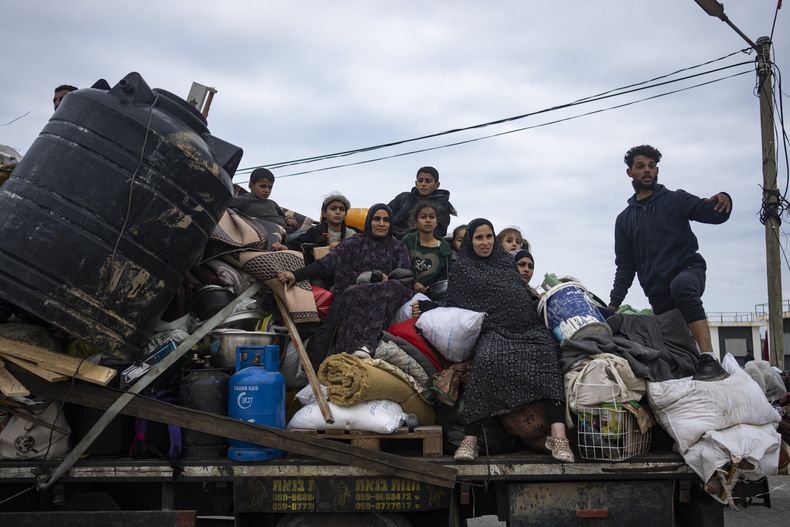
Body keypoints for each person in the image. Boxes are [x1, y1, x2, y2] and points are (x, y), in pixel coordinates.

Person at [444, 219, 574, 462]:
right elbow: (454, 303)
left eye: (489, 237)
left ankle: (558, 438)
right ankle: (470, 441)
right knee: (486, 360)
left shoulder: (505, 263)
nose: (485, 242)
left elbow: (520, 294)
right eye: (479, 238)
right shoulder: (463, 268)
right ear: (470, 241)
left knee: (547, 355)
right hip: (494, 330)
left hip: (527, 330)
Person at [608, 144, 732, 380]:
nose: (647, 171)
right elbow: (625, 266)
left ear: (657, 171)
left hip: (688, 270)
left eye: (652, 167)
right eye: (641, 166)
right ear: (630, 172)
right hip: (658, 292)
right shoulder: (624, 220)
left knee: (682, 286)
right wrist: (613, 305)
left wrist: (724, 200)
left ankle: (710, 358)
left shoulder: (676, 200)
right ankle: (699, 369)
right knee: (679, 351)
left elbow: (712, 213)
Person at [278, 204, 413, 367]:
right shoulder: (355, 242)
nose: (381, 224)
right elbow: (326, 264)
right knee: (355, 294)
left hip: (387, 295)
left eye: (386, 220)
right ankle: (350, 355)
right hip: (353, 293)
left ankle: (368, 346)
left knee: (392, 288)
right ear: (369, 221)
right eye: (377, 219)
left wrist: (386, 280)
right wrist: (295, 275)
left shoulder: (398, 247)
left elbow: (405, 276)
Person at [388, 166, 457, 239]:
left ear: (437, 185)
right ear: (416, 183)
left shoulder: (442, 205)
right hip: (393, 239)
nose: (423, 184)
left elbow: (440, 231)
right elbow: (384, 214)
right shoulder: (404, 198)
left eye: (428, 181)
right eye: (420, 180)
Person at [230, 168, 299, 239]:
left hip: (290, 232)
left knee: (309, 233)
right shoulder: (243, 199)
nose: (267, 190)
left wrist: (289, 219)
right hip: (274, 235)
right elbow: (225, 204)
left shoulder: (272, 203)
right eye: (262, 186)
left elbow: (283, 216)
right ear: (251, 186)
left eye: (270, 187)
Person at [401, 202, 453, 296]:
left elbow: (445, 274)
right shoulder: (408, 241)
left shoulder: (444, 246)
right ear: (416, 221)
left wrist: (433, 287)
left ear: (436, 222)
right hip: (407, 292)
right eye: (423, 217)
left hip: (436, 295)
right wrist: (414, 283)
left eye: (432, 217)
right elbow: (401, 267)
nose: (428, 220)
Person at [287, 192, 358, 259]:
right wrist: (286, 247)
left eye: (342, 209)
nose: (338, 212)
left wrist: (342, 245)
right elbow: (297, 243)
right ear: (324, 213)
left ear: (345, 215)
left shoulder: (351, 234)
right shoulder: (315, 231)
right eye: (333, 209)